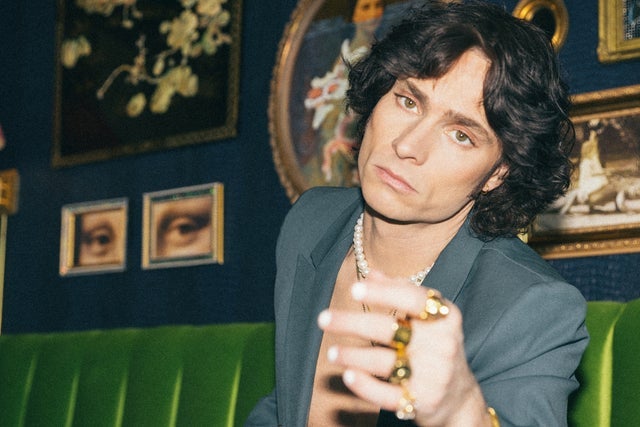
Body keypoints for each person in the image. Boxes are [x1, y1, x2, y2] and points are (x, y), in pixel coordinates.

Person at [246, 1, 588, 425]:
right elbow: (289, 401)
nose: (408, 145)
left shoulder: (531, 304)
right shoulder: (311, 222)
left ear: (498, 173)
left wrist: (460, 410)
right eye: (408, 101)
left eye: (460, 135)